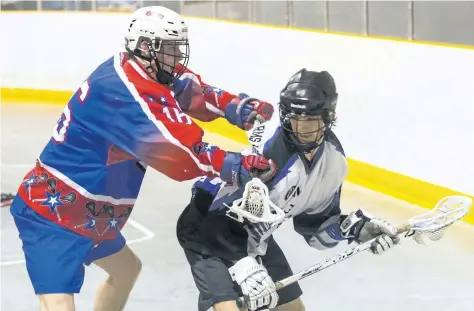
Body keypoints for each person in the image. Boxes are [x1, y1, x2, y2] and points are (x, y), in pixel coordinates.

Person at [8, 6, 276, 311]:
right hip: (53, 216)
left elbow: (192, 91)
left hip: (90, 217)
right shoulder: (122, 91)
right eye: (171, 49)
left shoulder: (144, 69)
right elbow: (177, 152)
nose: (178, 58)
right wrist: (234, 165)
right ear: (147, 47)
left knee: (126, 271)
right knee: (58, 302)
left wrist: (237, 107)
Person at [176, 68, 401, 311]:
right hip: (207, 229)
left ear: (327, 117)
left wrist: (354, 228)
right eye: (295, 119)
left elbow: (313, 230)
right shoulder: (269, 151)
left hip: (255, 235)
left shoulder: (333, 162)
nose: (301, 129)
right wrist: (242, 265)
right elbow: (216, 217)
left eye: (310, 120)